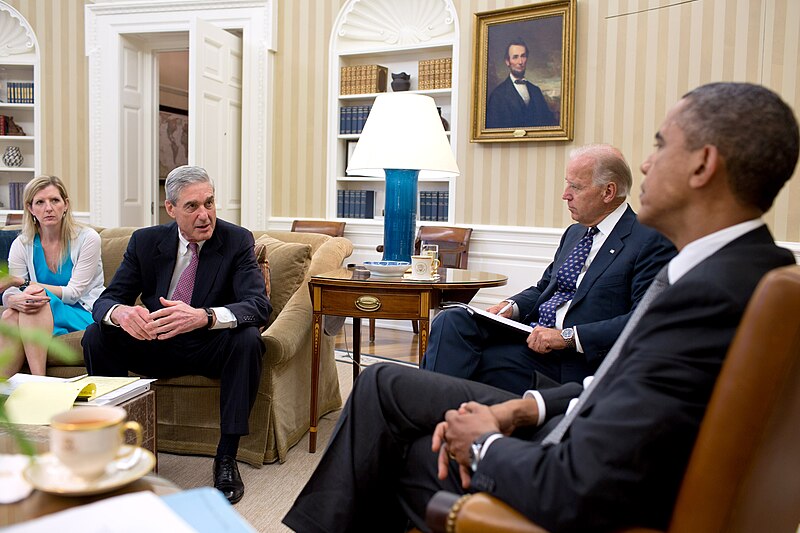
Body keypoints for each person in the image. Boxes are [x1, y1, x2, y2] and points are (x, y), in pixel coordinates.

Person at [283, 82, 799, 532]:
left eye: (661, 145)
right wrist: (527, 406)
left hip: (568, 474)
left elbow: (579, 480)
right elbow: (627, 386)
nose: (645, 162)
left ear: (703, 164)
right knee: (390, 377)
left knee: (404, 444)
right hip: (566, 413)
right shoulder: (740, 271)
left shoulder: (713, 294)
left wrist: (484, 443)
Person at [82, 165, 270, 504]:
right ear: (171, 208)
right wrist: (121, 313)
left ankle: (226, 457)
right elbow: (106, 299)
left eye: (210, 203)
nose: (205, 215)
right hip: (156, 342)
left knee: (248, 340)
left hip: (209, 343)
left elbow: (257, 305)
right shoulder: (145, 241)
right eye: (192, 206)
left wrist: (204, 317)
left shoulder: (237, 240)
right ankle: (112, 448)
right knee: (98, 334)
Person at [423, 144, 675, 392]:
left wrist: (567, 337)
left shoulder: (649, 238)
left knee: (471, 362)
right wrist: (511, 306)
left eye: (575, 186)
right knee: (451, 320)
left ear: (608, 192)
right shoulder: (575, 233)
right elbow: (546, 288)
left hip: (572, 358)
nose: (565, 194)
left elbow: (642, 319)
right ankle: (431, 409)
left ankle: (426, 412)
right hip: (531, 334)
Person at [1, 176, 104, 376]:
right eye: (40, 202)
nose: (48, 208)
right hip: (40, 312)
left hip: (83, 312)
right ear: (30, 208)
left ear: (65, 205)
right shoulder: (22, 244)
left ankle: (39, 380)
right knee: (10, 314)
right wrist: (13, 300)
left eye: (55, 200)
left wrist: (23, 283)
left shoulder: (88, 238)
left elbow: (74, 293)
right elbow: (10, 292)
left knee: (33, 294)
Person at [485, 38, 558, 129]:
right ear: (507, 62)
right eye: (515, 57)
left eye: (523, 56)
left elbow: (548, 124)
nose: (520, 62)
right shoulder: (497, 95)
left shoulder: (536, 91)